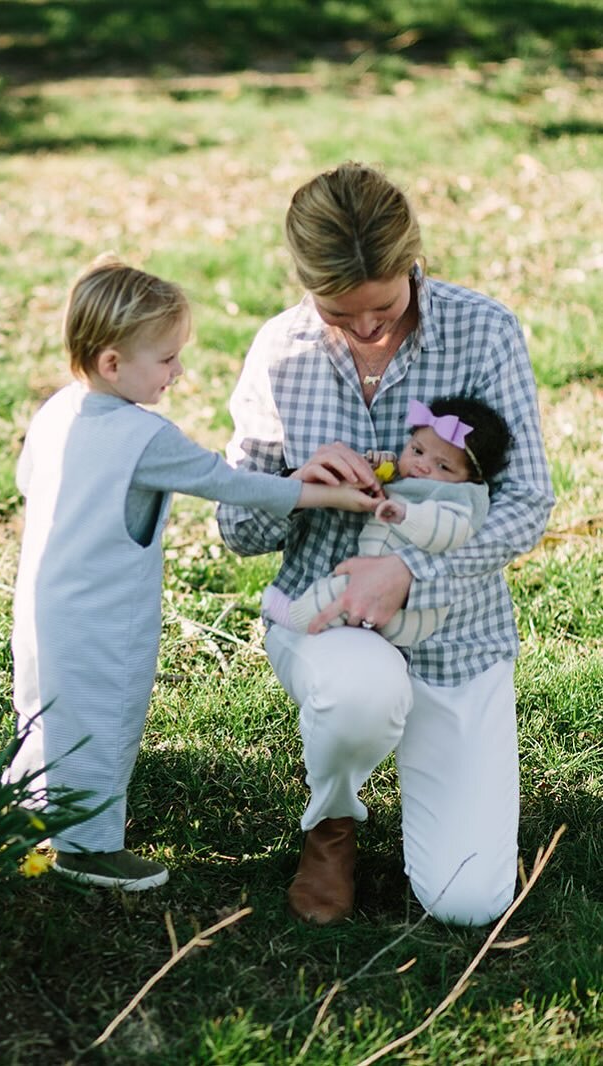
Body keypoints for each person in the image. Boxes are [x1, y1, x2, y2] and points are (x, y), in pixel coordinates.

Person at [217, 163, 553, 926]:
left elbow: (529, 500)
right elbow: (236, 532)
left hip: (457, 633)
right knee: (362, 693)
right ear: (305, 282)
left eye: (383, 307)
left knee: (469, 901)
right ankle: (333, 821)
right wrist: (290, 482)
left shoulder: (483, 330)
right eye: (341, 313)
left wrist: (410, 572)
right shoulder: (280, 350)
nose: (366, 328)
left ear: (413, 261)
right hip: (329, 622)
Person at [9, 254, 378, 891]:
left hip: (43, 600)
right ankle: (90, 848)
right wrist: (328, 496)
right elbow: (230, 486)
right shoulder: (144, 437)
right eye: (167, 358)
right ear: (113, 363)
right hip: (106, 614)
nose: (179, 372)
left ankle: (30, 817)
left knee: (44, 707)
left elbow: (27, 484)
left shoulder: (56, 411)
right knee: (105, 717)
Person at [263, 395, 512, 646]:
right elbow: (383, 472)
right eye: (417, 450)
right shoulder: (407, 477)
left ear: (470, 479)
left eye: (443, 466)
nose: (422, 465)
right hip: (377, 589)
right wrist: (370, 465)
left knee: (344, 589)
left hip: (409, 613)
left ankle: (297, 617)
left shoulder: (458, 496)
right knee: (341, 585)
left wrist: (407, 515)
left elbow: (451, 530)